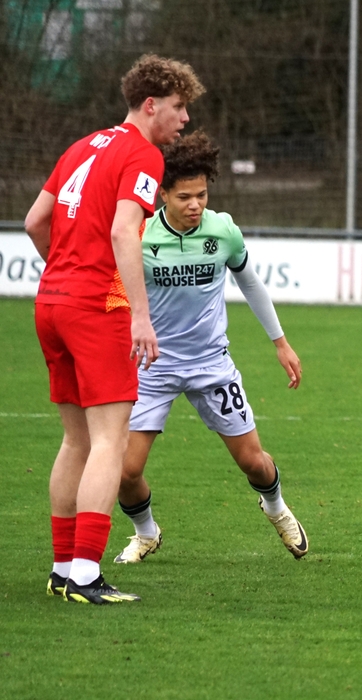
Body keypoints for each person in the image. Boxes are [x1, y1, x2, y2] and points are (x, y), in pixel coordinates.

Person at [23, 55, 204, 604]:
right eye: (178, 107)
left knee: (76, 439)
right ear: (150, 105)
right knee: (109, 441)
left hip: (52, 302)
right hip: (95, 310)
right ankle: (85, 575)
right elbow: (126, 232)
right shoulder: (142, 153)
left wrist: (64, 273)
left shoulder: (82, 146)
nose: (185, 119)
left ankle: (62, 570)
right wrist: (140, 316)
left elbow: (34, 221)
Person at [112, 131, 308, 564]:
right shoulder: (140, 236)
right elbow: (116, 294)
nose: (195, 205)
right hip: (153, 365)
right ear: (162, 194)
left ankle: (276, 508)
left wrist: (281, 343)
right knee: (125, 471)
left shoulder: (223, 231)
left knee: (254, 463)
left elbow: (250, 284)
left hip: (210, 364)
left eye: (201, 195)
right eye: (184, 197)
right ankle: (146, 533)